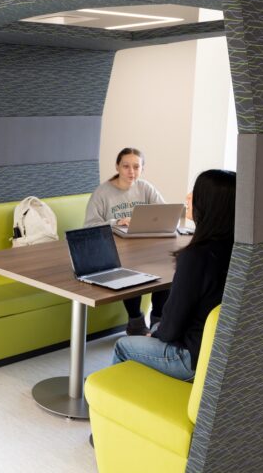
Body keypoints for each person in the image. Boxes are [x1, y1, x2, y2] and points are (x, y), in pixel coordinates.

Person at [111, 169, 236, 380]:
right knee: (158, 327)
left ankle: (115, 405)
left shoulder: (197, 256)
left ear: (209, 204)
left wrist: (158, 335)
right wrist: (159, 332)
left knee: (123, 345)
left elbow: (172, 327)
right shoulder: (236, 249)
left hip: (190, 357)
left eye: (195, 192)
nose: (188, 197)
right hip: (218, 353)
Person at [84, 147, 168, 335]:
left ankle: (158, 322)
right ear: (117, 167)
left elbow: (163, 213)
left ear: (142, 169)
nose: (131, 172)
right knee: (132, 268)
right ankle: (136, 322)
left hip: (142, 246)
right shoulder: (102, 193)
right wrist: (116, 222)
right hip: (114, 249)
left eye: (136, 167)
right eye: (126, 166)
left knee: (167, 269)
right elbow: (89, 226)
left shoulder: (145, 188)